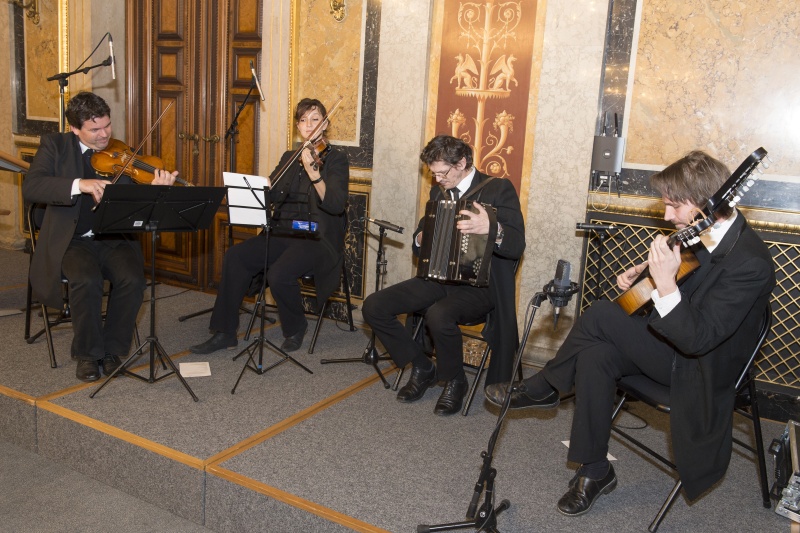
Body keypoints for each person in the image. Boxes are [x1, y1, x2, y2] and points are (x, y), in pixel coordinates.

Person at [485, 150, 775, 516]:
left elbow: (699, 339)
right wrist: (645, 274)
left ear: (706, 205)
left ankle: (545, 387)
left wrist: (665, 284)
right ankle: (595, 470)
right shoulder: (706, 232)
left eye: (674, 206)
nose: (667, 216)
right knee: (596, 354)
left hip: (699, 368)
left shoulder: (750, 262)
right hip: (671, 347)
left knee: (601, 314)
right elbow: (690, 276)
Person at [362, 135, 525, 416]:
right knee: (374, 306)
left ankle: (455, 380)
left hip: (481, 287)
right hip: (438, 279)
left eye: (443, 173)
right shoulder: (439, 194)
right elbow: (421, 238)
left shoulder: (498, 189)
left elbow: (516, 245)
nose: (438, 179)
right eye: (434, 173)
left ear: (461, 163)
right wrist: (420, 238)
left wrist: (493, 229)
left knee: (438, 315)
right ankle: (423, 366)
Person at [23, 91, 179, 382]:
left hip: (112, 236)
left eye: (107, 125)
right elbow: (32, 187)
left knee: (133, 280)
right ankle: (88, 354)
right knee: (86, 280)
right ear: (75, 128)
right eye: (95, 129)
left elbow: (135, 203)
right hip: (72, 239)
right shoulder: (54, 146)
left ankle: (111, 350)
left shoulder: (120, 152)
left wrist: (156, 189)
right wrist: (79, 184)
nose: (104, 134)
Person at [190, 98, 349, 354]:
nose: (309, 125)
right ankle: (225, 332)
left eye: (315, 119)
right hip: (282, 232)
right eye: (303, 120)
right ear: (298, 127)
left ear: (325, 123)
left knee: (278, 273)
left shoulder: (336, 160)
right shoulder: (290, 157)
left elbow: (336, 204)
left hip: (316, 238)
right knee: (235, 256)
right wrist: (257, 185)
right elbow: (271, 192)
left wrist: (314, 175)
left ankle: (296, 327)